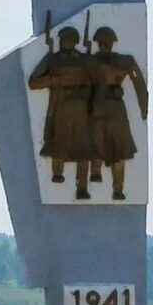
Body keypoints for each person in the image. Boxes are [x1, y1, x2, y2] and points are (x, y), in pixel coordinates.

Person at [26, 26, 99, 199]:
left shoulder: (83, 60)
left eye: (69, 39)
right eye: (63, 39)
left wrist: (85, 92)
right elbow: (33, 82)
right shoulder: (52, 59)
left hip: (80, 110)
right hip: (59, 108)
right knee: (58, 144)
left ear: (74, 41)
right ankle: (57, 174)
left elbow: (96, 83)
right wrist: (55, 80)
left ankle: (82, 187)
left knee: (83, 149)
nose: (65, 42)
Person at [85, 26, 148, 201]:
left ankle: (113, 185)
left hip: (104, 105)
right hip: (108, 106)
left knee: (116, 149)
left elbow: (139, 84)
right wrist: (143, 107)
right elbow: (139, 85)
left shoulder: (94, 62)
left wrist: (144, 108)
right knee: (103, 145)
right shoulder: (123, 61)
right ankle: (101, 176)